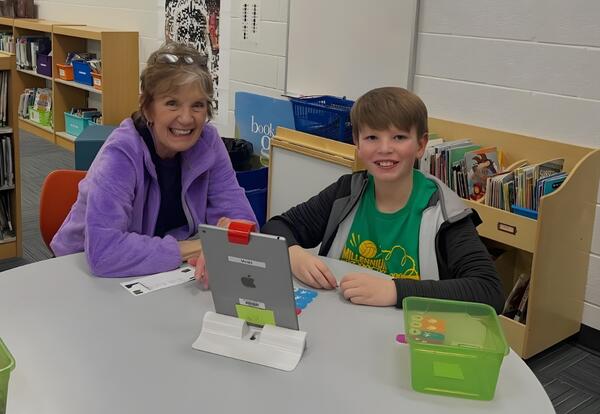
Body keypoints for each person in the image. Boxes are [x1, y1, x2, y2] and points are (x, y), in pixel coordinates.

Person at [261, 87, 504, 313]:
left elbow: (488, 291)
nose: (385, 148)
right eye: (372, 138)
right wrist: (293, 253)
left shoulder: (445, 212)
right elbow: (277, 226)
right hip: (344, 322)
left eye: (399, 137)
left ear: (421, 145)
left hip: (412, 337)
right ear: (357, 143)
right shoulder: (346, 192)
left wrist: (395, 290)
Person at [51, 42, 257, 278]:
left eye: (198, 105)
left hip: (159, 271)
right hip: (79, 272)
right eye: (172, 103)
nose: (187, 118)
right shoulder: (121, 152)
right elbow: (104, 253)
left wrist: (227, 237)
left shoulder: (208, 142)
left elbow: (243, 223)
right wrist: (200, 246)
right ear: (148, 108)